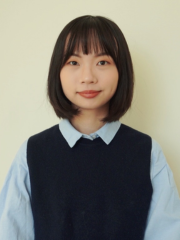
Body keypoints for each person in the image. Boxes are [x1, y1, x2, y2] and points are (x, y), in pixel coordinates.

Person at [0, 15, 180, 240]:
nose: (88, 77)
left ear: (121, 70)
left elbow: (168, 233)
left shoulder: (147, 152)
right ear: (58, 72)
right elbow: (11, 232)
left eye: (102, 62)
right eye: (73, 62)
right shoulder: (32, 153)